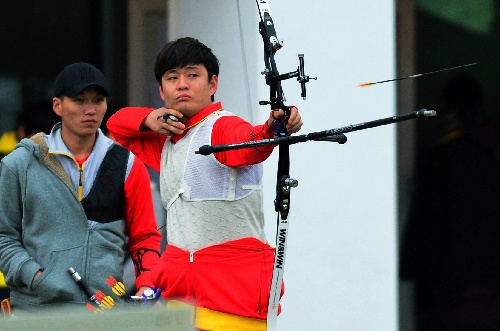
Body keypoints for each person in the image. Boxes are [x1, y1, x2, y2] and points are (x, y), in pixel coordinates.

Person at [107, 37, 303, 330]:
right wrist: (149, 118)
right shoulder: (167, 140)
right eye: (172, 78)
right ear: (161, 91)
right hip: (181, 307)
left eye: (192, 75)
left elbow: (250, 143)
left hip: (230, 309)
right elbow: (117, 126)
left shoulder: (222, 126)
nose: (182, 84)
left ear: (213, 84)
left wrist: (275, 127)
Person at [0, 62, 161, 315]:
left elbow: (145, 238)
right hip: (34, 311)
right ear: (58, 105)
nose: (90, 109)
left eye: (98, 100)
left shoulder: (127, 164)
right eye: (79, 100)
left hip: (104, 314)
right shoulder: (19, 164)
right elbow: (4, 236)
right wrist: (36, 276)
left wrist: (146, 285)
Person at [400, 74, 500, 330]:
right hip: (486, 276)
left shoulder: (443, 158)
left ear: (446, 107)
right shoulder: (490, 151)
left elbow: (430, 222)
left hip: (453, 282)